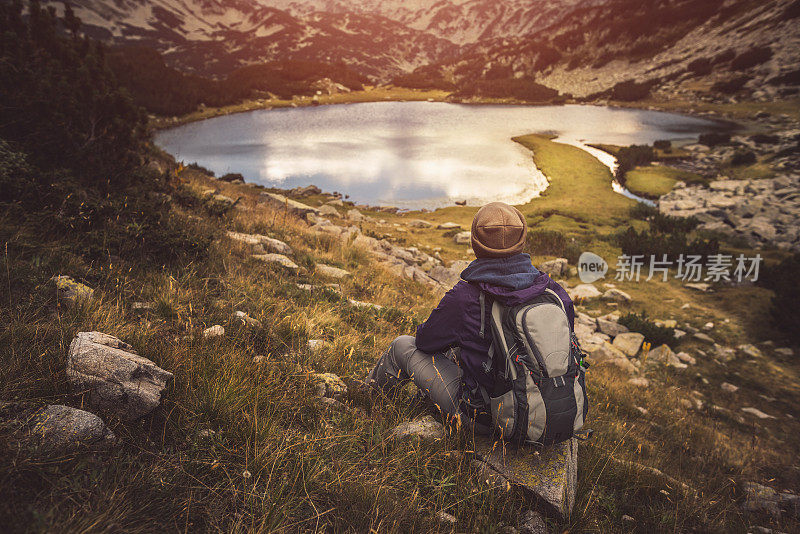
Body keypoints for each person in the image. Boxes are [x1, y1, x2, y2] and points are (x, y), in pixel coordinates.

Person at [365, 202, 575, 429]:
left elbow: (425, 342)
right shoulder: (553, 292)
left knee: (401, 346)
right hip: (558, 411)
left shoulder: (465, 296)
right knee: (462, 348)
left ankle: (368, 403)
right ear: (522, 240)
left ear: (476, 242)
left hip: (486, 418)